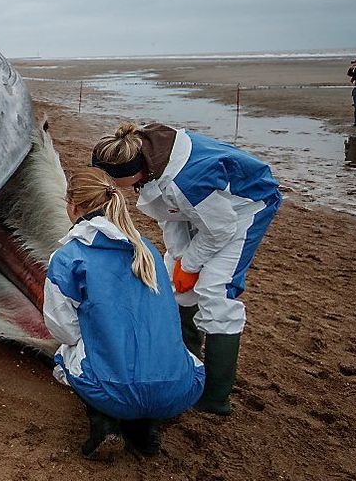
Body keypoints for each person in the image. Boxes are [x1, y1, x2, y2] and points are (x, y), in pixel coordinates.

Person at [91, 122, 281, 416]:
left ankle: (216, 396)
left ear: (133, 173)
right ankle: (186, 362)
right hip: (204, 208)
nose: (114, 189)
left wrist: (190, 265)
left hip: (244, 208)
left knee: (215, 291)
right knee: (174, 285)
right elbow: (171, 216)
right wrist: (179, 260)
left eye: (116, 182)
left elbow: (220, 229)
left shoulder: (187, 181)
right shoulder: (147, 156)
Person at [45, 168, 204, 459]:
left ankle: (105, 424)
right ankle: (145, 430)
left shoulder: (67, 257)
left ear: (72, 206)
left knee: (67, 353)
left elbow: (63, 331)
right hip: (181, 388)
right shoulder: (147, 250)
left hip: (114, 391)